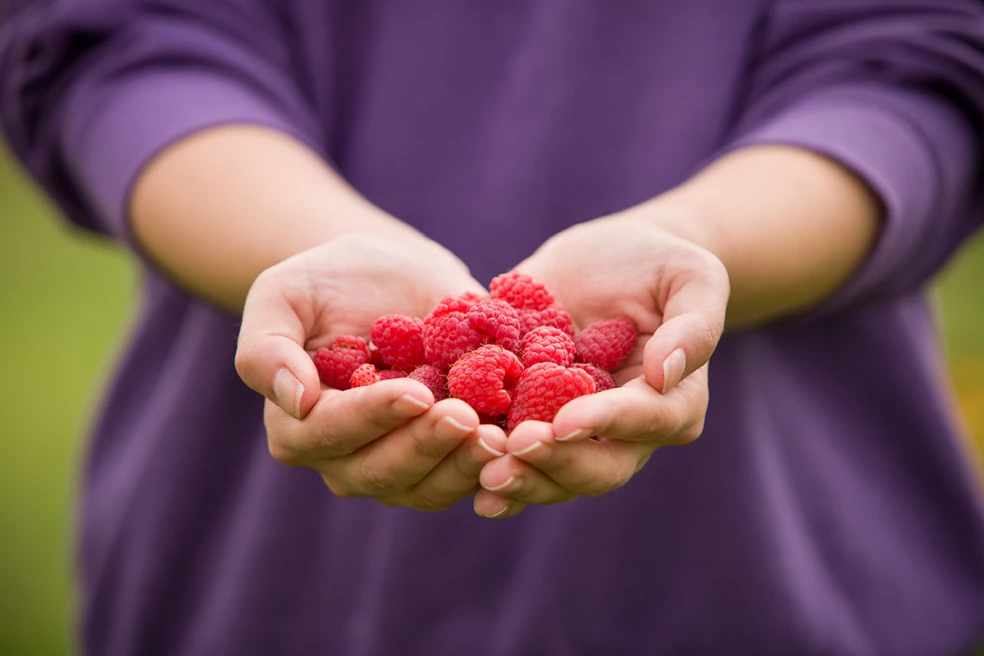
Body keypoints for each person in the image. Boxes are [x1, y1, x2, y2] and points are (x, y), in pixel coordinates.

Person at [3, 0, 984, 654]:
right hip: (268, 594)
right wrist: (315, 242)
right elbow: (117, 40)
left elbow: (922, 65)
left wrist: (699, 241)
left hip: (780, 585)